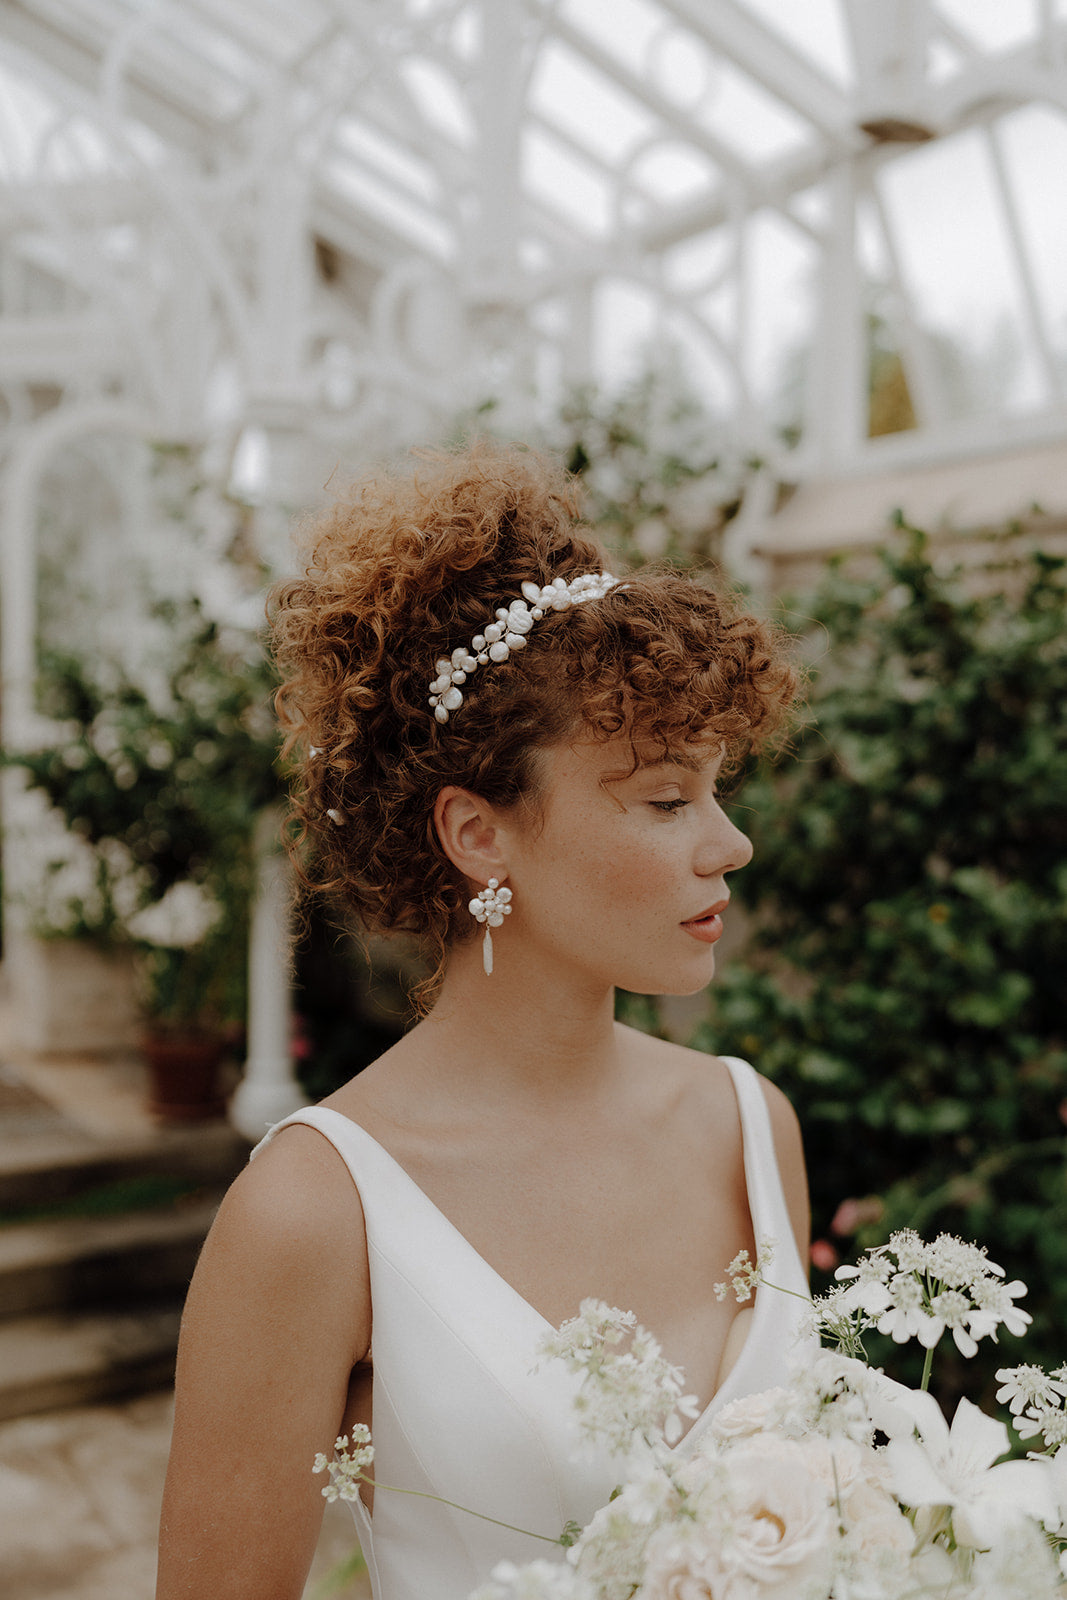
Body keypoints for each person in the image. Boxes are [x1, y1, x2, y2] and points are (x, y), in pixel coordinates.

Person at [156, 442, 811, 1600]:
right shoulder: (312, 1212)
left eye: (717, 789)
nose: (727, 842)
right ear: (477, 835)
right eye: (664, 798)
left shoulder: (748, 1126)